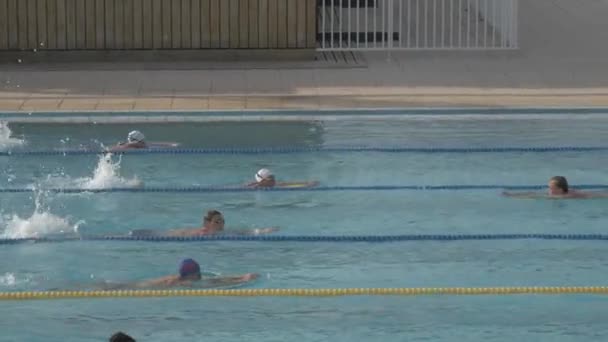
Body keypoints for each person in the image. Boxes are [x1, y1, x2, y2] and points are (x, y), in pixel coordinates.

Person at [101, 258, 258, 290]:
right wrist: (242, 279)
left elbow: (214, 280)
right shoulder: (183, 283)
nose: (200, 276)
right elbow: (215, 282)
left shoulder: (179, 278)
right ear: (192, 274)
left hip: (136, 285)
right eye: (198, 273)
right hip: (136, 288)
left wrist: (241, 276)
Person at [130, 209, 278, 237]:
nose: (222, 224)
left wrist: (263, 231)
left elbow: (245, 232)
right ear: (207, 223)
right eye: (217, 221)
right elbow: (169, 234)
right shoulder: (198, 234)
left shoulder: (224, 233)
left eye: (222, 221)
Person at [502, 176, 608, 199]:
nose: (549, 190)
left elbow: (536, 197)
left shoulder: (563, 197)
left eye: (551, 188)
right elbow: (534, 193)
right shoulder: (565, 191)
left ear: (560, 190)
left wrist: (514, 196)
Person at [247, 168, 319, 188]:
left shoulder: (275, 184)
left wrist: (307, 183)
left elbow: (288, 184)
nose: (273, 180)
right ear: (262, 180)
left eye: (273, 177)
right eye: (270, 178)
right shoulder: (254, 186)